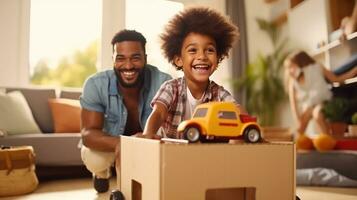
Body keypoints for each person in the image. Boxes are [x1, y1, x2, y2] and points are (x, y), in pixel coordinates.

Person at [80, 29, 171, 193]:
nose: (128, 66)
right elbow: (88, 134)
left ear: (145, 59)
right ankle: (101, 173)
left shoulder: (163, 82)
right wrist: (125, 144)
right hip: (110, 144)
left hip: (149, 144)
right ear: (113, 60)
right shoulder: (95, 84)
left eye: (135, 58)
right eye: (120, 59)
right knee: (95, 160)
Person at [142, 7, 246, 139]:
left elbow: (238, 111)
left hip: (202, 154)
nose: (202, 56)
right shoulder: (171, 88)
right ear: (179, 60)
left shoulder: (218, 93)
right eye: (193, 50)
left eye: (209, 50)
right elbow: (158, 113)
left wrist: (247, 128)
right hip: (171, 151)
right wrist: (148, 135)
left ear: (218, 58)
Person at [284, 51, 357, 136]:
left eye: (291, 66)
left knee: (317, 114)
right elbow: (293, 104)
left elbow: (336, 79)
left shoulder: (317, 67)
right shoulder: (293, 82)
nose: (289, 71)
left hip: (323, 101)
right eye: (288, 68)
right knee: (301, 124)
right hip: (308, 106)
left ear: (300, 64)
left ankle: (326, 138)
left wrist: (354, 71)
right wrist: (298, 120)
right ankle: (297, 144)